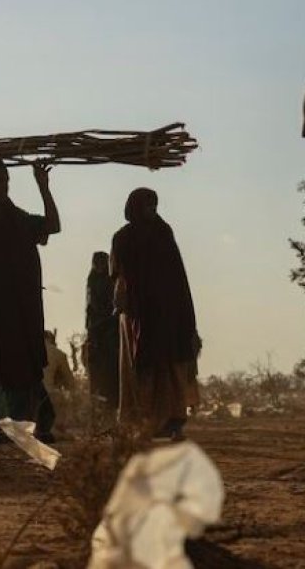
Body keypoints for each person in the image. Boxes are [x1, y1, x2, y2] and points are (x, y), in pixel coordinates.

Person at [0, 159, 60, 440]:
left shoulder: (18, 218)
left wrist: (43, 186)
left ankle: (29, 422)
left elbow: (53, 225)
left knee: (25, 362)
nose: (3, 186)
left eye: (6, 181)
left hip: (24, 305)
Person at [110, 188, 200, 441]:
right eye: (146, 206)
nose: (151, 210)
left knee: (170, 365)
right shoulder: (123, 238)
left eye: (154, 205)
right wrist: (125, 305)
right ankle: (144, 422)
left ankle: (172, 421)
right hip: (139, 312)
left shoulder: (163, 232)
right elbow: (119, 277)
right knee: (143, 367)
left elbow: (177, 275)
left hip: (168, 310)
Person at [85, 251, 120, 411]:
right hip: (99, 334)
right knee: (101, 377)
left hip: (107, 333)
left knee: (109, 376)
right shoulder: (93, 280)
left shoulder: (108, 280)